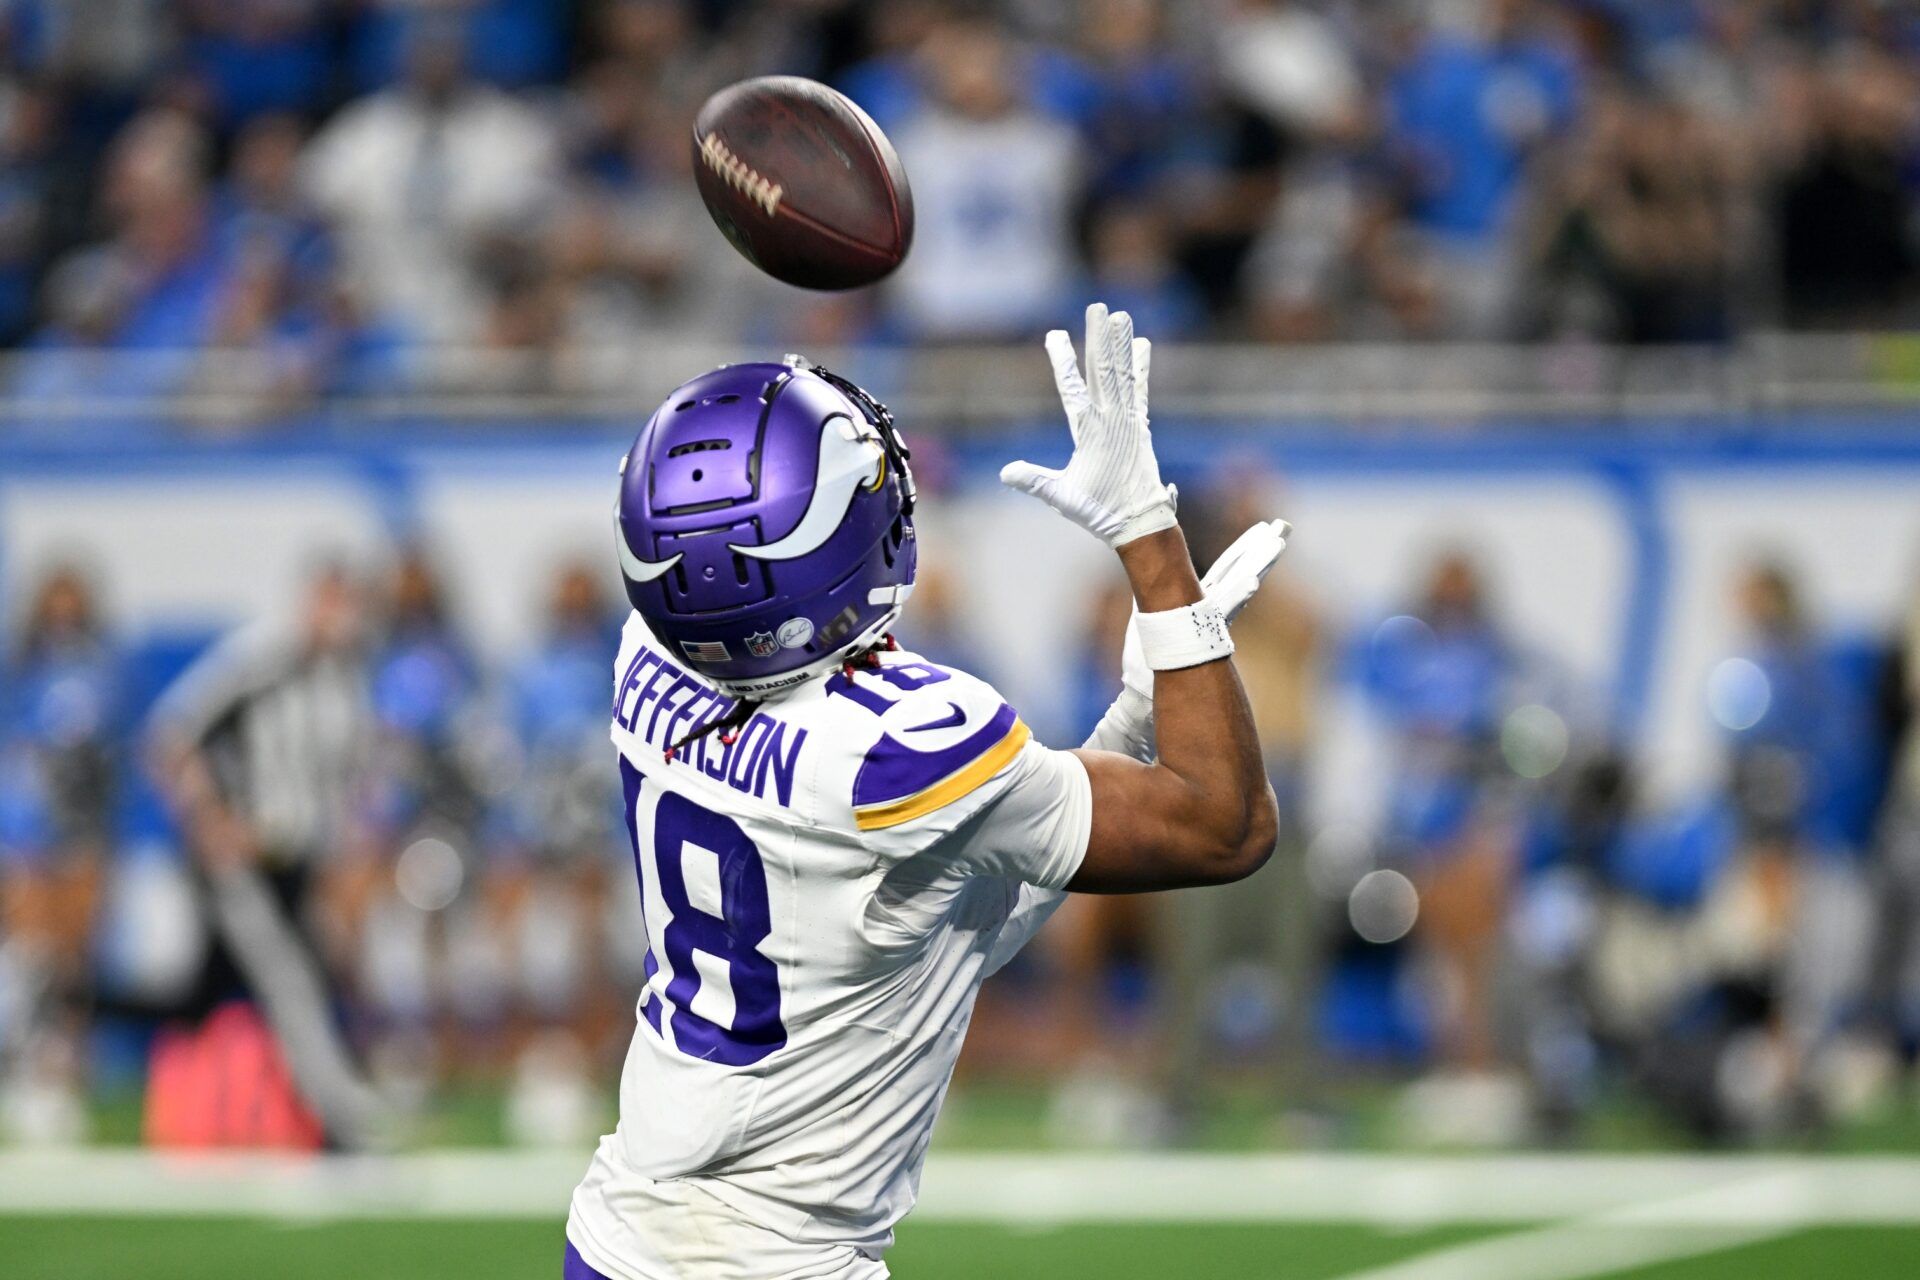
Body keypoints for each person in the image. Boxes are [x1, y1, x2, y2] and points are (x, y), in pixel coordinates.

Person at [565, 304, 1287, 1279]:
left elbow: (942, 923)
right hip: (776, 1257)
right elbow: (1226, 825)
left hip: (619, 1233)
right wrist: (1157, 551)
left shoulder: (650, 654)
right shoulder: (900, 742)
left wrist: (1126, 720)